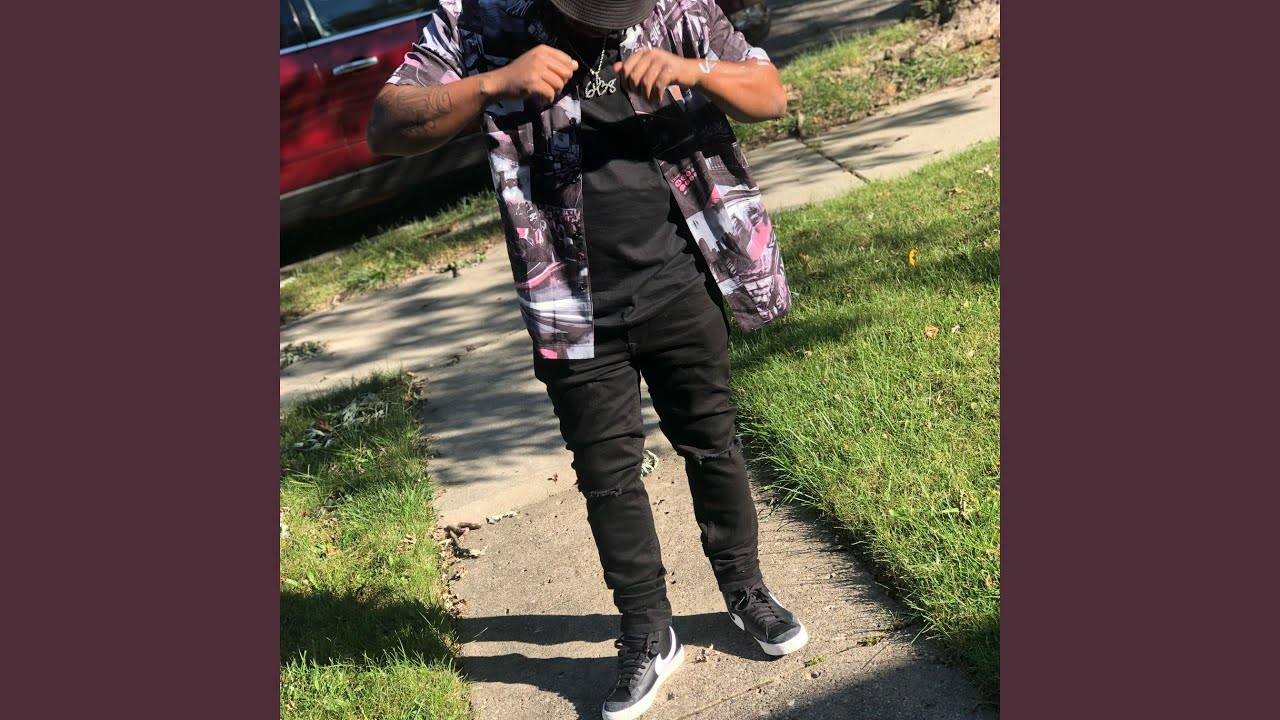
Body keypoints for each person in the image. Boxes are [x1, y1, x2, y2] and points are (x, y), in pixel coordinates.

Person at [368, 1, 806, 717]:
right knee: (607, 477)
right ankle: (647, 631)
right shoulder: (478, 17)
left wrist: (695, 70)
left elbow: (770, 93)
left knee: (712, 443)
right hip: (570, 302)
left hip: (678, 280)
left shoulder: (673, 7)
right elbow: (385, 126)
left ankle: (745, 590)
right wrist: (493, 82)